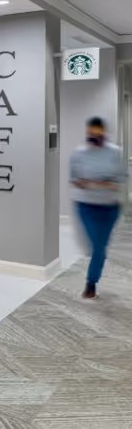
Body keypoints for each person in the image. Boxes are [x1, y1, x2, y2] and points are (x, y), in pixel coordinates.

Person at [70, 116, 126, 299]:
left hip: (109, 208)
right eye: (92, 133)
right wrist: (97, 183)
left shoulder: (115, 152)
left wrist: (97, 183)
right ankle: (92, 278)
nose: (95, 136)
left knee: (100, 247)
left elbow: (120, 179)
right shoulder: (79, 153)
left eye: (98, 133)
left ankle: (91, 282)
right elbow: (74, 179)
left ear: (104, 132)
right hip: (86, 207)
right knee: (96, 246)